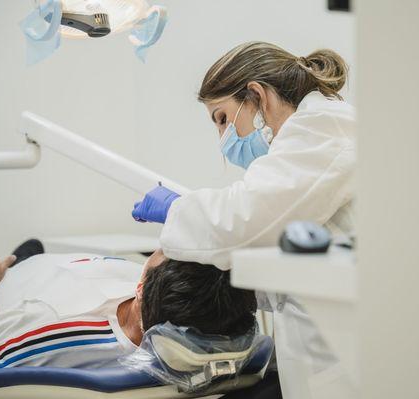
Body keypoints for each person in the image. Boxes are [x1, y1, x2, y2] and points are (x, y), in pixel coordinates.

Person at [131, 41, 356, 399]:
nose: (223, 138)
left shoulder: (323, 127)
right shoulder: (306, 145)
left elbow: (244, 223)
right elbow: (282, 260)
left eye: (222, 118)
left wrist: (176, 209)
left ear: (256, 94)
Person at [0, 241, 257, 375]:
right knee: (35, 248)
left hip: (3, 286)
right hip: (62, 273)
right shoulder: (210, 327)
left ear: (140, 288)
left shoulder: (63, 324)